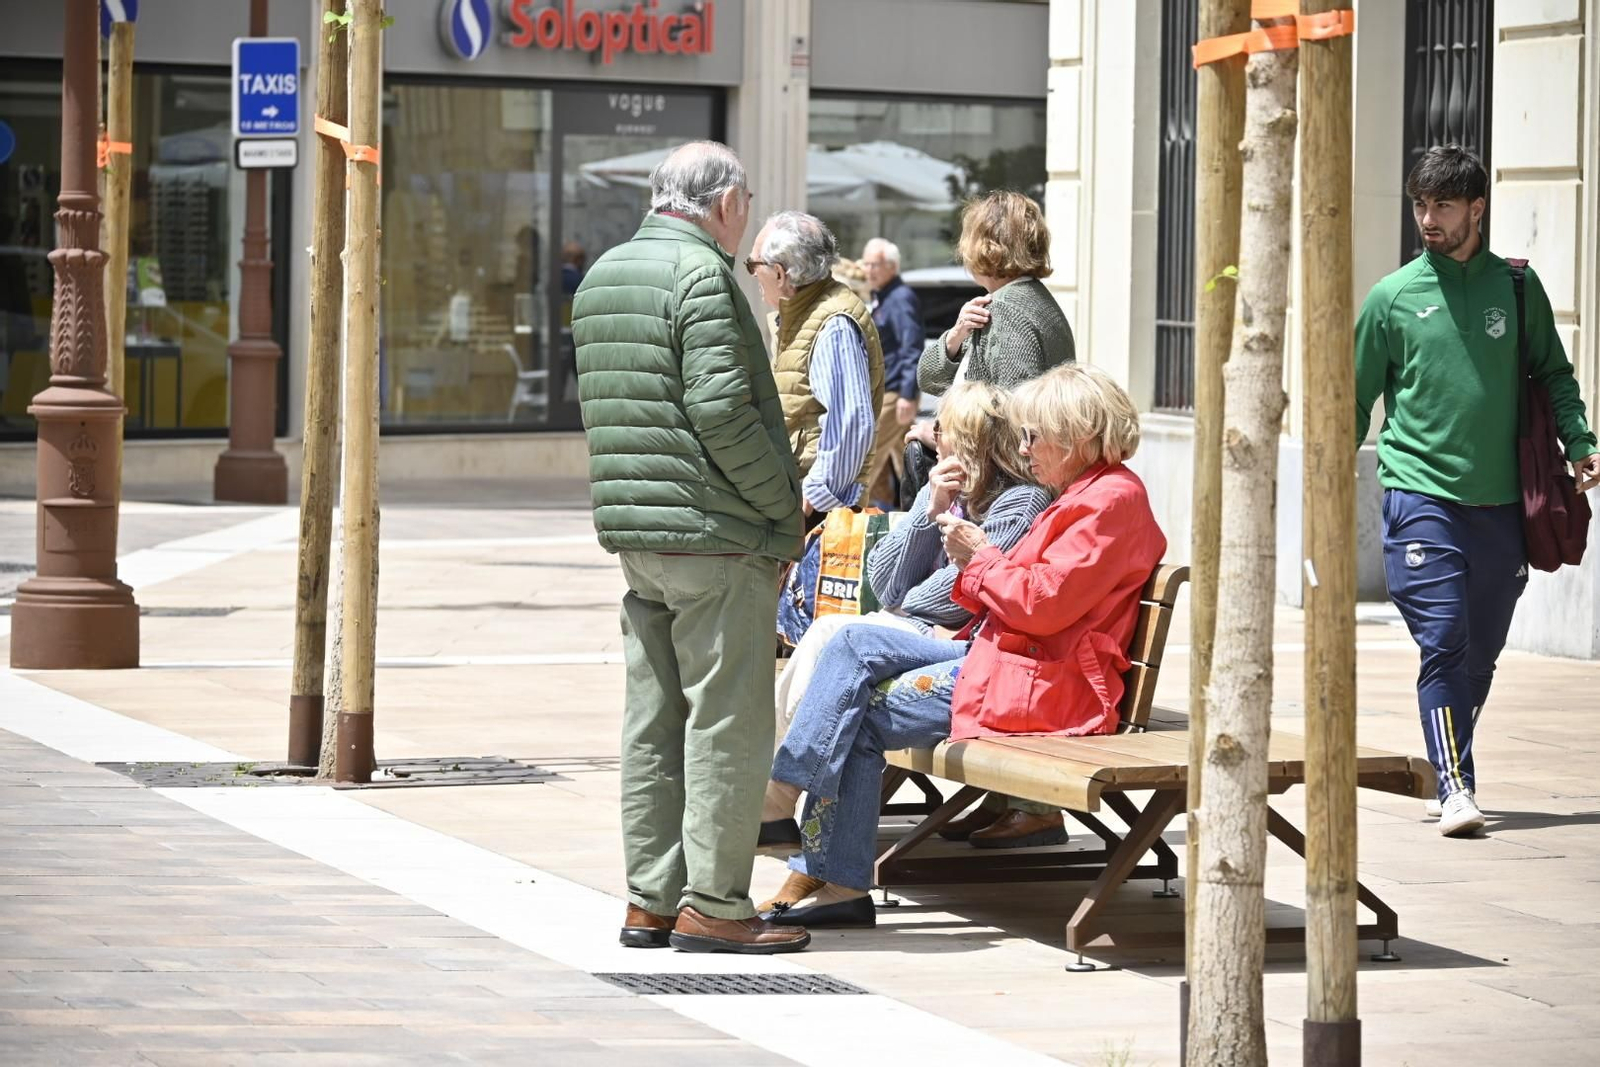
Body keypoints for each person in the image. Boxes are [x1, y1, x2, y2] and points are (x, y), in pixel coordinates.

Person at [758, 364, 1166, 929]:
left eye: (1035, 435)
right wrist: (947, 536)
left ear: (1077, 437)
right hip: (1011, 660)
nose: (1025, 450)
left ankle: (831, 872)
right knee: (850, 640)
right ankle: (785, 803)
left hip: (1045, 683)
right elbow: (946, 593)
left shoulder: (1107, 503)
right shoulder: (1086, 494)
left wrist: (980, 557)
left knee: (861, 713)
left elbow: (1041, 603)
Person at [571, 141, 810, 955]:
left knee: (653, 721)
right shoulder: (703, 274)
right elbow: (721, 412)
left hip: (639, 534)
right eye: (745, 203)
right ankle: (715, 903)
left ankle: (651, 899)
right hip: (715, 535)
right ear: (726, 203)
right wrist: (784, 506)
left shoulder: (604, 274)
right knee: (728, 724)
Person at [1355, 144, 1600, 839]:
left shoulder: (1518, 288)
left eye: (1443, 206)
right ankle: (1458, 785)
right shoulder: (1392, 296)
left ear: (1477, 209)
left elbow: (1554, 374)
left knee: (1481, 652)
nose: (1428, 219)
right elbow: (1354, 396)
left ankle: (1445, 764)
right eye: (1420, 205)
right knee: (1444, 639)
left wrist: (1580, 442)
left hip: (1501, 506)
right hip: (1418, 493)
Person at [757, 382, 1053, 899]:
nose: (933, 440)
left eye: (946, 431)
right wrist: (929, 508)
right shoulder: (945, 488)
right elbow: (885, 581)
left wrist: (912, 600)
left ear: (977, 441)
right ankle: (789, 814)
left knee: (840, 641)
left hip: (964, 646)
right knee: (836, 643)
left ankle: (784, 805)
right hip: (922, 632)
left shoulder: (1018, 503)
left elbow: (949, 601)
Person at [748, 211, 885, 531]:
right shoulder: (806, 313)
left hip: (820, 514)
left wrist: (813, 499)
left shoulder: (832, 323)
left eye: (754, 266)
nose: (753, 275)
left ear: (779, 274)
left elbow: (852, 422)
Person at [863, 238, 925, 508]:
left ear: (891, 266)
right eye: (865, 264)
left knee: (868, 458)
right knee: (906, 462)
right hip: (885, 391)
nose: (868, 270)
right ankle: (897, 514)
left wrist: (908, 394)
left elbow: (911, 347)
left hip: (894, 392)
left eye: (874, 265)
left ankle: (854, 519)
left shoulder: (900, 298)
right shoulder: (882, 297)